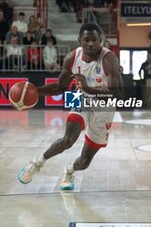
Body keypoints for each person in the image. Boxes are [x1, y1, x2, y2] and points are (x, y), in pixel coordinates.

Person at [18, 23, 123, 190]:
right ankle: (37, 163)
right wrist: (34, 91)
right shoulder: (72, 58)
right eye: (86, 40)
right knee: (67, 140)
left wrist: (88, 88)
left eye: (95, 40)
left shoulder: (109, 59)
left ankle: (69, 171)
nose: (91, 44)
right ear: (79, 40)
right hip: (80, 98)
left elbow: (117, 95)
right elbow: (60, 86)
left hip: (105, 108)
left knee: (84, 161)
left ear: (100, 41)